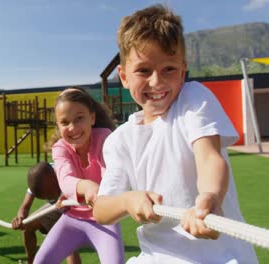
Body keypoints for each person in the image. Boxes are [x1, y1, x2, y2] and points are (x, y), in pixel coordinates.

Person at [93, 4, 258, 263]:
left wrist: (210, 197)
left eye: (169, 69)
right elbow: (101, 209)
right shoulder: (119, 140)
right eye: (143, 70)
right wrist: (127, 200)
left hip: (221, 258)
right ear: (124, 77)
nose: (157, 81)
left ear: (183, 71)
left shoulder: (194, 99)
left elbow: (209, 157)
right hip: (157, 256)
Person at [33, 87, 124, 264]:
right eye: (65, 122)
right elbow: (65, 179)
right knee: (41, 261)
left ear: (92, 117)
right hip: (73, 218)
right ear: (58, 127)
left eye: (79, 118)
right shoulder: (60, 148)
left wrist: (102, 192)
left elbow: (112, 173)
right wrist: (87, 187)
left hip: (104, 219)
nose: (73, 127)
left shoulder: (105, 137)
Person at [11, 161, 81, 264]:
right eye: (46, 197)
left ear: (53, 178)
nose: (49, 198)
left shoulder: (67, 172)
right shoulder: (37, 180)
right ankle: (30, 261)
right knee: (27, 226)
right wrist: (20, 219)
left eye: (49, 194)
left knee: (66, 240)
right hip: (56, 207)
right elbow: (25, 206)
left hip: (79, 205)